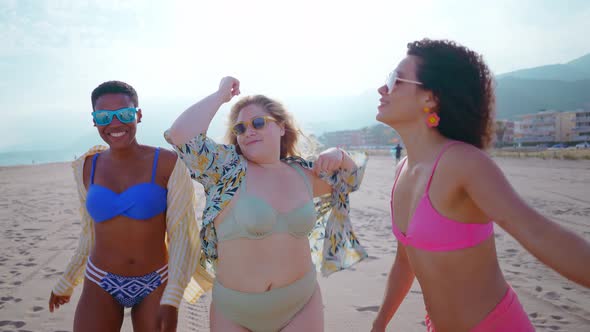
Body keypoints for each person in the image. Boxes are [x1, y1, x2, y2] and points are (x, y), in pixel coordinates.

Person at [371, 39, 590, 332]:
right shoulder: (402, 170)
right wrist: (379, 323)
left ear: (430, 98)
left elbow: (537, 232)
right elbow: (405, 261)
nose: (383, 89)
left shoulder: (463, 163)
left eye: (395, 80)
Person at [165, 77, 368, 332]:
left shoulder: (303, 172)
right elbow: (180, 135)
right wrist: (220, 96)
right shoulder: (225, 171)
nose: (249, 131)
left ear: (282, 127)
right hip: (234, 310)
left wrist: (341, 155)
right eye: (240, 129)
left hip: (301, 303)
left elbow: (350, 181)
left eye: (258, 123)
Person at [48, 81, 212, 332]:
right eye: (104, 116)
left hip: (155, 281)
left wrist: (173, 296)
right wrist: (67, 281)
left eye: (124, 114)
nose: (115, 123)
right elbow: (89, 233)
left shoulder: (168, 164)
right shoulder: (85, 167)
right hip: (99, 280)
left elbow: (182, 234)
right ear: (94, 120)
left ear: (138, 115)